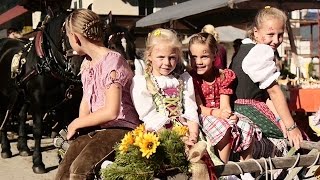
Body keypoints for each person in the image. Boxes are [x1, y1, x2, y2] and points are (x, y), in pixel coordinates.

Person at [55, 9, 140, 179]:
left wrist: (76, 123)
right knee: (65, 167)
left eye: (68, 37)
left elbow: (112, 111)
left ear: (76, 37)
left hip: (122, 128)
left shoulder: (113, 61)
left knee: (80, 168)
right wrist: (80, 129)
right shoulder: (87, 64)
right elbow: (86, 101)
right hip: (101, 130)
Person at [229, 7, 303, 152]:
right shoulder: (260, 51)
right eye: (270, 34)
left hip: (237, 108)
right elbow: (274, 92)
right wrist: (291, 126)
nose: (276, 40)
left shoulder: (245, 48)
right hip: (249, 109)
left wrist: (280, 119)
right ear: (256, 32)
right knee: (294, 138)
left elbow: (267, 96)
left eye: (280, 34)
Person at [188, 32, 261, 166]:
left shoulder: (223, 76)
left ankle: (247, 166)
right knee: (225, 127)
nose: (198, 62)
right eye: (194, 57)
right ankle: (223, 167)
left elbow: (225, 104)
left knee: (246, 126)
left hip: (219, 113)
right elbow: (198, 107)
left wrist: (228, 114)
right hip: (202, 114)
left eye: (204, 57)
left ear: (214, 54)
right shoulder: (190, 78)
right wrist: (219, 114)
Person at [130, 28, 199, 148]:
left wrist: (193, 134)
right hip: (159, 132)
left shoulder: (183, 80)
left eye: (172, 57)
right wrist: (176, 137)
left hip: (186, 130)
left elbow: (190, 109)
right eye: (161, 57)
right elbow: (149, 115)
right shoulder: (142, 82)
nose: (167, 62)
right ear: (149, 56)